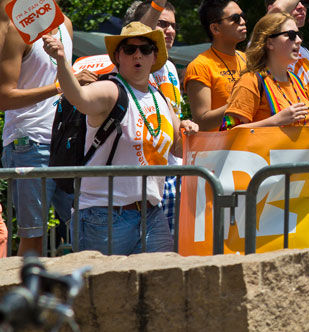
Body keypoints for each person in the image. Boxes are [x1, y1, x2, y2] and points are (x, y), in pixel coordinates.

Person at [42, 22, 197, 254]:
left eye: (145, 49)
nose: (138, 54)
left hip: (151, 213)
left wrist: (187, 128)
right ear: (118, 56)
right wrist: (62, 61)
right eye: (130, 49)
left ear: (154, 57)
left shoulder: (160, 98)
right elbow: (79, 97)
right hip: (103, 214)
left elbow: (177, 148)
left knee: (161, 286)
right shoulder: (110, 90)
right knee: (102, 289)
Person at [0, 0, 96, 255]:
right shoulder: (18, 31)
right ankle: (22, 301)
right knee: (33, 239)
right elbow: (4, 97)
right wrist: (60, 87)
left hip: (66, 142)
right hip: (28, 144)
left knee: (88, 226)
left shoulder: (65, 24)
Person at [130, 0, 190, 233]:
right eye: (163, 24)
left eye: (173, 25)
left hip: (174, 172)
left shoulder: (171, 69)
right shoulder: (135, 62)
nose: (170, 30)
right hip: (146, 177)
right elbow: (139, 34)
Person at [223, 12, 309, 131]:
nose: (298, 40)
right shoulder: (250, 81)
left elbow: (304, 130)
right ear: (269, 42)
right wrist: (275, 121)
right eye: (291, 35)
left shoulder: (297, 81)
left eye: (298, 35)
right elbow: (229, 133)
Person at [184, 0, 247, 130]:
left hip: (251, 147)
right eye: (235, 18)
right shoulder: (200, 66)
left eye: (242, 16)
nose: (243, 22)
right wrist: (237, 104)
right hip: (219, 149)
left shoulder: (248, 59)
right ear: (215, 28)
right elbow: (201, 121)